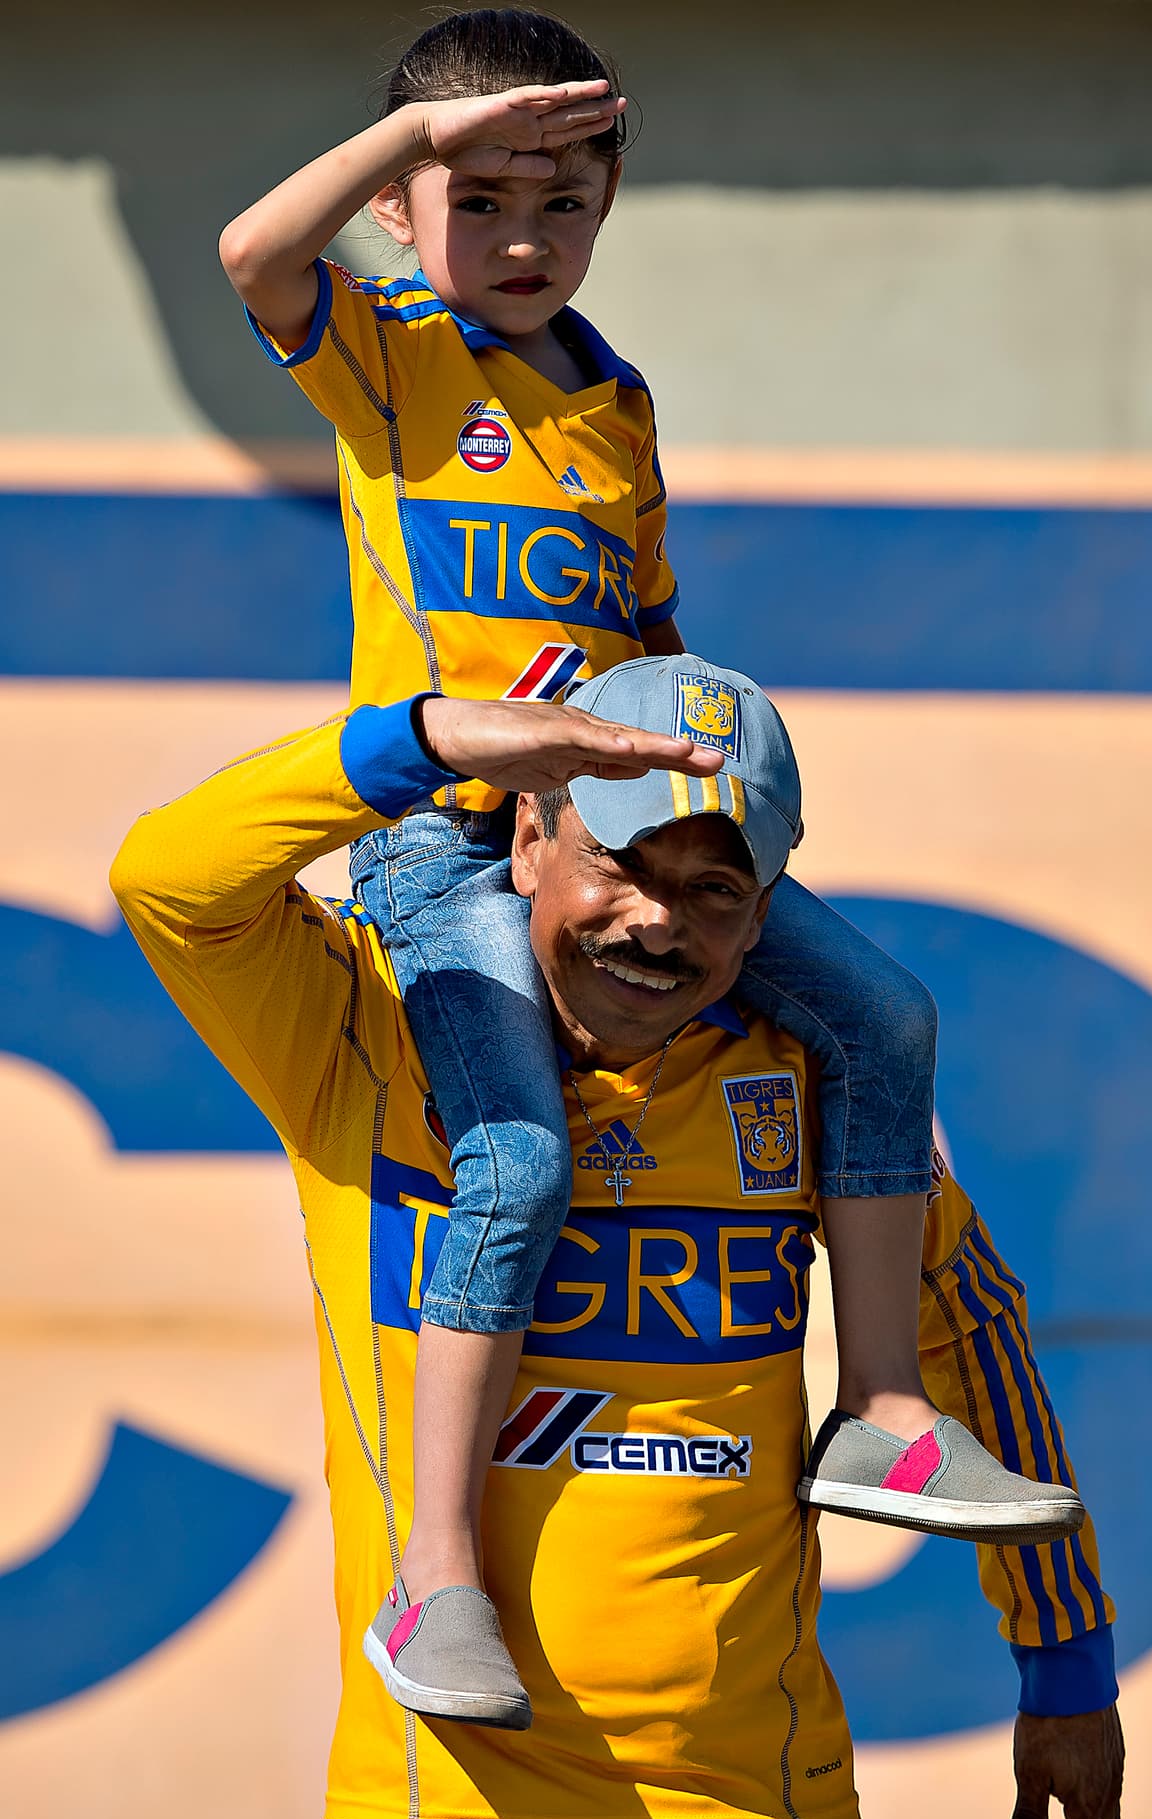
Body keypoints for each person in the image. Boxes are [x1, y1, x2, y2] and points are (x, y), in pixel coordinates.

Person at [216, 7, 1069, 1720]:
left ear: (608, 208)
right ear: (405, 209)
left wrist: (691, 763)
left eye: (564, 201)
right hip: (447, 857)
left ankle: (883, 1416)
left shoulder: (616, 408)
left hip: (600, 834)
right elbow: (253, 250)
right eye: (482, 198)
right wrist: (411, 141)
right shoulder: (392, 349)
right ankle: (437, 1576)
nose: (522, 239)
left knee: (885, 1022)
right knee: (516, 1163)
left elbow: (645, 641)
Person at [111, 655, 1122, 1819]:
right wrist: (422, 739)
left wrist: (1065, 1665)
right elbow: (166, 882)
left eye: (712, 889)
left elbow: (969, 1330)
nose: (655, 921)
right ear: (527, 836)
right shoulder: (368, 1026)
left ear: (764, 919)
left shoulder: (816, 1076)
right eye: (619, 865)